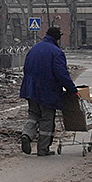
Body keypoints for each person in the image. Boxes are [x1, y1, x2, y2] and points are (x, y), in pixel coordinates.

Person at [19, 26, 78, 156]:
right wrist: (72, 90)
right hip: (47, 91)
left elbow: (26, 68)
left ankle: (26, 135)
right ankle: (43, 149)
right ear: (58, 38)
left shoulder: (35, 48)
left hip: (30, 89)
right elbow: (61, 74)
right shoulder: (56, 52)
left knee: (33, 115)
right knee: (47, 119)